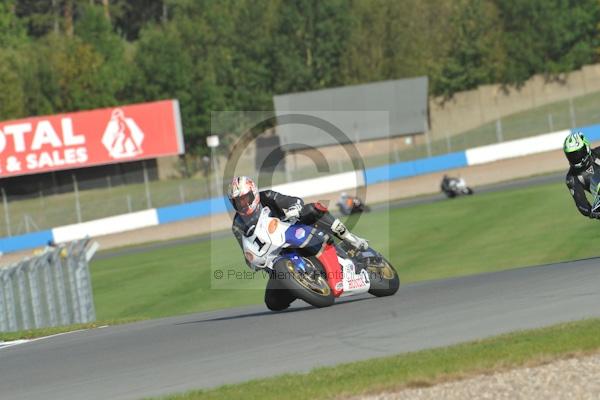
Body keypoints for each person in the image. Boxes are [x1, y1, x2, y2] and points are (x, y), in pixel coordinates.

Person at [564, 131, 600, 218]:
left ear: (586, 148)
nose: (576, 158)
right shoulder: (571, 178)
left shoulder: (596, 153)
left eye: (578, 153)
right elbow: (581, 203)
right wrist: (593, 213)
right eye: (572, 156)